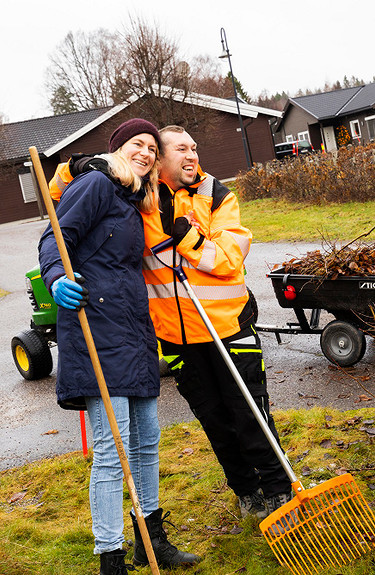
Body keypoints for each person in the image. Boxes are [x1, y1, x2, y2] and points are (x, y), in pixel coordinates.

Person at [49, 124, 292, 523]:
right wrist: (75, 166)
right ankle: (247, 492)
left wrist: (191, 242)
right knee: (213, 420)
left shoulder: (216, 195)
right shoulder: (140, 197)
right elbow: (64, 194)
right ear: (160, 159)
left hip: (228, 328)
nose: (192, 155)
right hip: (176, 339)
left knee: (250, 414)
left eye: (194, 148)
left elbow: (231, 257)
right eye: (181, 149)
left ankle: (280, 490)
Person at [39, 119, 201, 575]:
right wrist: (56, 278)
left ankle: (152, 541)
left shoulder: (132, 200)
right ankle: (111, 556)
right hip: (96, 326)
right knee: (113, 451)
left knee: (147, 440)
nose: (147, 152)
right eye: (138, 144)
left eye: (152, 147)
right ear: (117, 148)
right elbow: (55, 236)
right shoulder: (95, 184)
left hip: (132, 331)